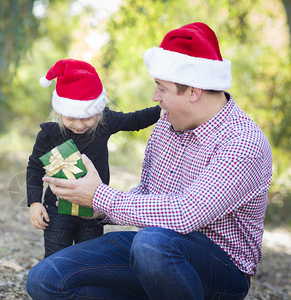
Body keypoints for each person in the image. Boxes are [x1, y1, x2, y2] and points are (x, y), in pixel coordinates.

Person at [26, 22, 273, 300]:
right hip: (151, 255)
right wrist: (93, 208)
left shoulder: (242, 142)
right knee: (45, 278)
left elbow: (186, 213)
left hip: (219, 268)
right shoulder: (168, 124)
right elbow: (148, 195)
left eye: (162, 89)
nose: (156, 98)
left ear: (193, 92)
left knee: (152, 243)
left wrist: (100, 197)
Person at [27, 58, 162, 258]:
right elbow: (35, 168)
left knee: (87, 258)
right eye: (71, 118)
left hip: (93, 209)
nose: (80, 125)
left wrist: (163, 110)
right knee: (56, 257)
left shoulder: (105, 123)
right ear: (59, 111)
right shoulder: (50, 134)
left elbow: (135, 120)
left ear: (98, 111)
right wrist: (34, 203)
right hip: (57, 210)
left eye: (88, 117)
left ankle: (83, 289)